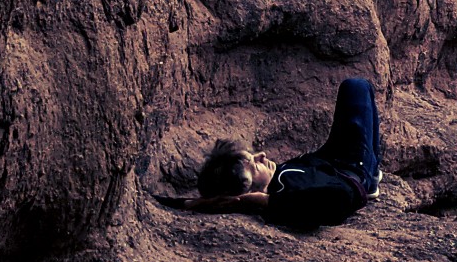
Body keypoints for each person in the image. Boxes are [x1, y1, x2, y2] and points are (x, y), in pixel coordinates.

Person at [161, 78, 382, 228]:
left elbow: (188, 201)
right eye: (255, 165)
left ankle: (371, 174)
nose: (262, 156)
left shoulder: (278, 180)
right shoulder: (287, 196)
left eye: (253, 156)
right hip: (352, 171)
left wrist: (193, 203)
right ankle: (370, 179)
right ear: (252, 191)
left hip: (329, 158)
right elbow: (340, 198)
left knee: (355, 89)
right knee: (356, 87)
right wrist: (265, 202)